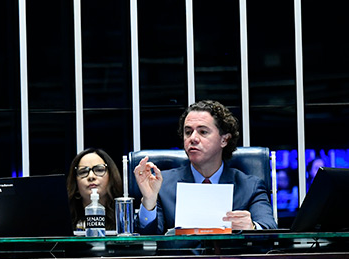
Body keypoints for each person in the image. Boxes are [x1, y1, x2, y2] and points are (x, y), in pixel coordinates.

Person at [134, 100, 277, 234]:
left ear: (224, 139)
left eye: (203, 132)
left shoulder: (250, 186)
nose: (193, 138)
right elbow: (148, 241)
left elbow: (269, 229)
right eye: (188, 132)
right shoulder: (162, 184)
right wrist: (149, 202)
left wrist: (252, 227)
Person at [66, 148, 124, 232]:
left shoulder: (123, 217)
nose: (91, 176)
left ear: (111, 178)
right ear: (75, 183)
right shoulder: (66, 220)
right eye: (83, 172)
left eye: (99, 170)